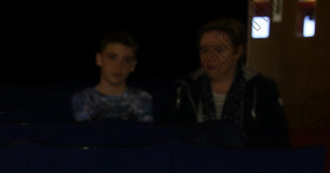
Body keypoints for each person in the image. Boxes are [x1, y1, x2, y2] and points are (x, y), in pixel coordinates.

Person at [173, 17, 289, 148]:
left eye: (219, 50)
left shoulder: (261, 89)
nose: (210, 58)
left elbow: (277, 143)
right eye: (205, 50)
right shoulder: (185, 88)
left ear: (237, 52)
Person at [71, 31, 154, 123]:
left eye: (126, 60)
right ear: (99, 59)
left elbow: (145, 134)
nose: (118, 66)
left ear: (133, 65)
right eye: (112, 58)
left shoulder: (142, 99)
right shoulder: (83, 99)